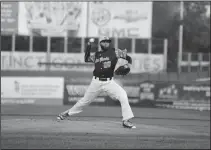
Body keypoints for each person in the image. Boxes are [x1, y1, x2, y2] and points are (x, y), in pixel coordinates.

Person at [57, 37, 136, 129]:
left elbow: (129, 58)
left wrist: (127, 66)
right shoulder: (97, 54)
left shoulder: (115, 52)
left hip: (109, 82)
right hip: (96, 82)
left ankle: (126, 120)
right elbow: (86, 59)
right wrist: (88, 46)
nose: (106, 43)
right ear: (100, 43)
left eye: (108, 42)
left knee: (123, 95)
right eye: (104, 42)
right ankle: (66, 113)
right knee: (84, 102)